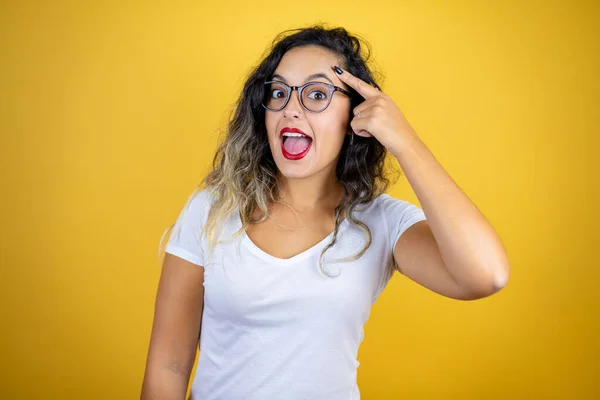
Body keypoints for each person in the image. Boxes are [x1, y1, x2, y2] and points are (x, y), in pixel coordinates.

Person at [141, 25, 510, 400]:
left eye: (317, 94)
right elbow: (168, 365)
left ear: (355, 117)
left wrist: (406, 142)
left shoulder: (381, 222)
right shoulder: (212, 208)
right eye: (279, 93)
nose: (291, 110)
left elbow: (487, 275)